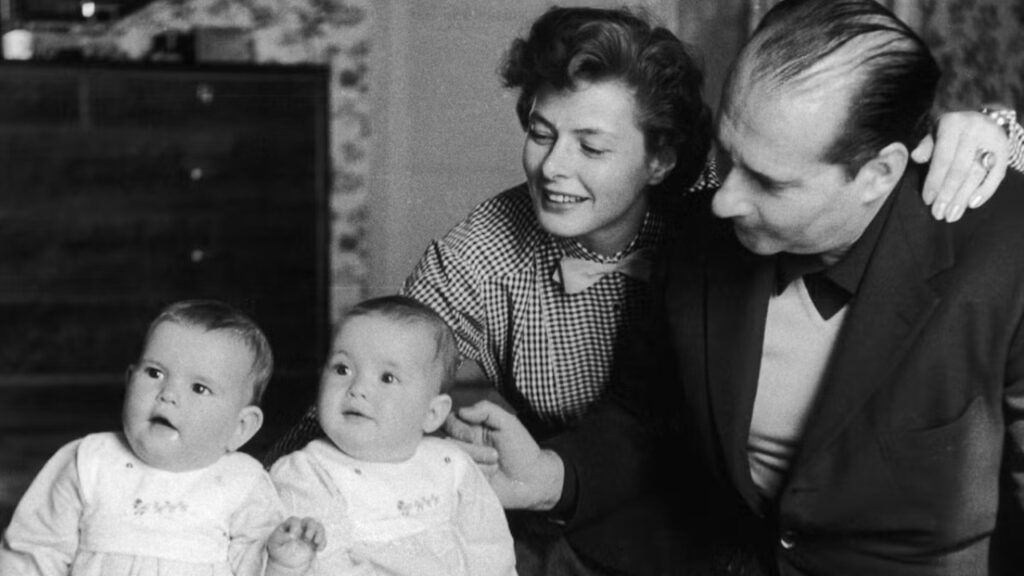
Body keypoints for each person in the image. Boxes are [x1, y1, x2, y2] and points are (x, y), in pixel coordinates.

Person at [264, 5, 1024, 573]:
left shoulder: (990, 245)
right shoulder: (516, 254)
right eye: (540, 133)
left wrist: (997, 130)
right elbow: (633, 419)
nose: (725, 200)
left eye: (593, 146)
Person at [0, 300, 285, 576]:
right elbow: (36, 550)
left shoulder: (242, 482)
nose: (168, 394)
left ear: (240, 427)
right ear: (129, 380)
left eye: (199, 388)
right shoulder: (90, 462)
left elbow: (258, 563)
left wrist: (285, 561)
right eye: (154, 373)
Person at [268, 296, 517, 575]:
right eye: (342, 369)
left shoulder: (450, 465)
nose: (357, 388)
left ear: (432, 413)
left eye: (387, 378)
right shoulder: (308, 473)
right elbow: (313, 562)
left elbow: (490, 547)